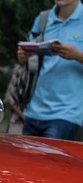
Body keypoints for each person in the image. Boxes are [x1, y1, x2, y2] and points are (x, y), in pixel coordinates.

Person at [18, 0, 83, 140]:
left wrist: (77, 56)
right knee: (28, 162)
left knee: (50, 161)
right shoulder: (43, 19)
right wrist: (23, 57)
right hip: (34, 111)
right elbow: (30, 64)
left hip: (67, 114)